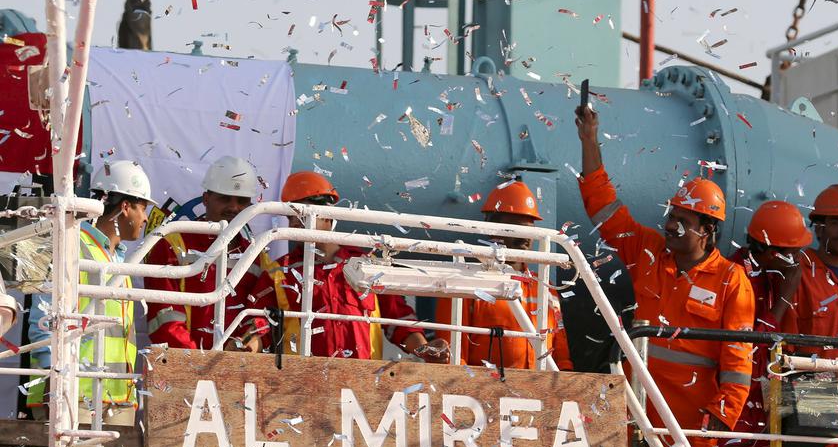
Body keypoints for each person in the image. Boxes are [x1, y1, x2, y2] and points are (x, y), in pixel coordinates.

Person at [576, 104, 754, 447]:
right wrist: (589, 140)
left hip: (688, 426)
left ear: (707, 230)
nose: (670, 225)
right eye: (671, 215)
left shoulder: (732, 281)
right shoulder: (647, 251)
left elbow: (738, 362)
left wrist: (723, 413)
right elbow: (603, 207)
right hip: (634, 416)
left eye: (682, 220)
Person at [245, 171, 433, 360]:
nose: (294, 223)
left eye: (302, 214)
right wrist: (247, 346)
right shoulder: (279, 272)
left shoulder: (367, 264)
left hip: (363, 382)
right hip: (303, 383)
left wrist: (426, 350)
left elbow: (398, 320)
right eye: (291, 216)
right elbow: (263, 327)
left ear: (328, 216)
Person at [28, 161, 155, 424]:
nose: (145, 219)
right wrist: (56, 381)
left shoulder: (118, 259)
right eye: (143, 208)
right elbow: (43, 318)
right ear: (125, 207)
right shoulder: (70, 244)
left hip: (116, 396)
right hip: (69, 394)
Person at [779, 184, 838, 447]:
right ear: (817, 228)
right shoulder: (798, 273)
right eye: (835, 222)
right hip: (809, 394)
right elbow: (784, 347)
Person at [144, 155, 272, 351]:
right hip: (183, 367)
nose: (234, 207)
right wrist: (200, 363)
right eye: (224, 198)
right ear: (206, 199)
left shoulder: (255, 254)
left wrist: (241, 348)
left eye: (242, 200)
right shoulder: (172, 244)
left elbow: (261, 316)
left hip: (238, 368)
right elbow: (164, 320)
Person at [723, 199, 813, 447]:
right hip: (737, 403)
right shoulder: (733, 276)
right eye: (792, 253)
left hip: (770, 401)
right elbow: (749, 344)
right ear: (769, 251)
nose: (797, 261)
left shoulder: (775, 274)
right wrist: (784, 299)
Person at [454, 179, 573, 371]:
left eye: (528, 228)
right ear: (492, 230)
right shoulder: (466, 284)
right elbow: (454, 358)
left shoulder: (545, 288)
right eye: (515, 228)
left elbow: (561, 355)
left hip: (541, 395)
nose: (523, 237)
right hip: (485, 395)